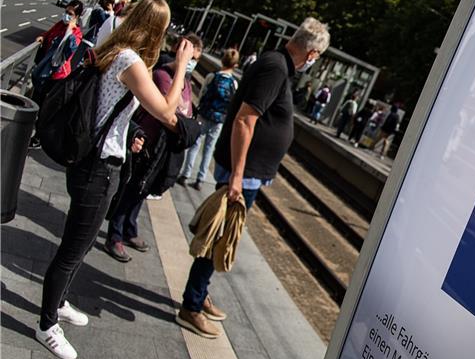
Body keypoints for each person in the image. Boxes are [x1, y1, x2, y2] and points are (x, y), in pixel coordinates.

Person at [36, 0, 196, 359]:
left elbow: (111, 107)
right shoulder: (132, 61)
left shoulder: (118, 50)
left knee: (84, 241)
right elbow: (167, 109)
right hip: (97, 169)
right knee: (73, 250)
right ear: (157, 29)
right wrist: (182, 66)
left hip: (97, 162)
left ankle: (58, 303)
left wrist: (131, 132)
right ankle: (46, 324)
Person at [176, 17, 330, 338]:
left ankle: (200, 294)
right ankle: (190, 305)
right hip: (242, 175)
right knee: (220, 235)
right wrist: (237, 173)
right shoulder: (275, 68)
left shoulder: (277, 65)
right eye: (317, 59)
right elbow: (245, 121)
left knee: (223, 234)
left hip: (248, 173)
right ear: (312, 54)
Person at [104, 33, 203, 263]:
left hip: (164, 148)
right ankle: (115, 235)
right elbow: (170, 114)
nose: (191, 63)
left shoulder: (185, 81)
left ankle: (129, 229)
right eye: (189, 57)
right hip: (148, 143)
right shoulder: (162, 76)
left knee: (143, 190)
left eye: (195, 59)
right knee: (131, 190)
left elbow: (184, 112)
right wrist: (187, 126)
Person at [178, 48, 240, 190]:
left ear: (222, 60)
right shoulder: (234, 84)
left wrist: (199, 110)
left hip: (204, 115)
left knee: (195, 145)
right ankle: (200, 179)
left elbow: (202, 94)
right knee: (209, 149)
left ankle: (185, 175)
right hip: (219, 120)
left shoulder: (212, 76)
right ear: (235, 65)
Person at [29, 0, 84, 149]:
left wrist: (70, 31)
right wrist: (43, 37)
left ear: (77, 17)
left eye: (70, 14)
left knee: (46, 108)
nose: (66, 15)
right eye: (66, 11)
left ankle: (38, 138)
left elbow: (69, 50)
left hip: (57, 76)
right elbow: (50, 34)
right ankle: (28, 131)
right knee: (36, 101)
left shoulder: (76, 33)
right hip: (46, 73)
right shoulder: (60, 25)